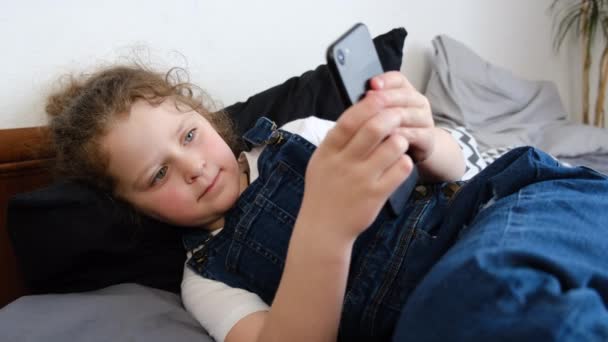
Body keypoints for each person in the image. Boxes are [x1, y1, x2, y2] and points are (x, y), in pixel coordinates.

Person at [46, 64, 608, 342]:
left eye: (189, 136)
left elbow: (461, 171)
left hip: (521, 206)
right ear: (137, 208)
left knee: (491, 285)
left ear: (207, 119)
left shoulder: (303, 133)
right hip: (453, 303)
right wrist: (325, 231)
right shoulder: (207, 279)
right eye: (158, 173)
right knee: (460, 314)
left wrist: (426, 138)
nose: (192, 167)